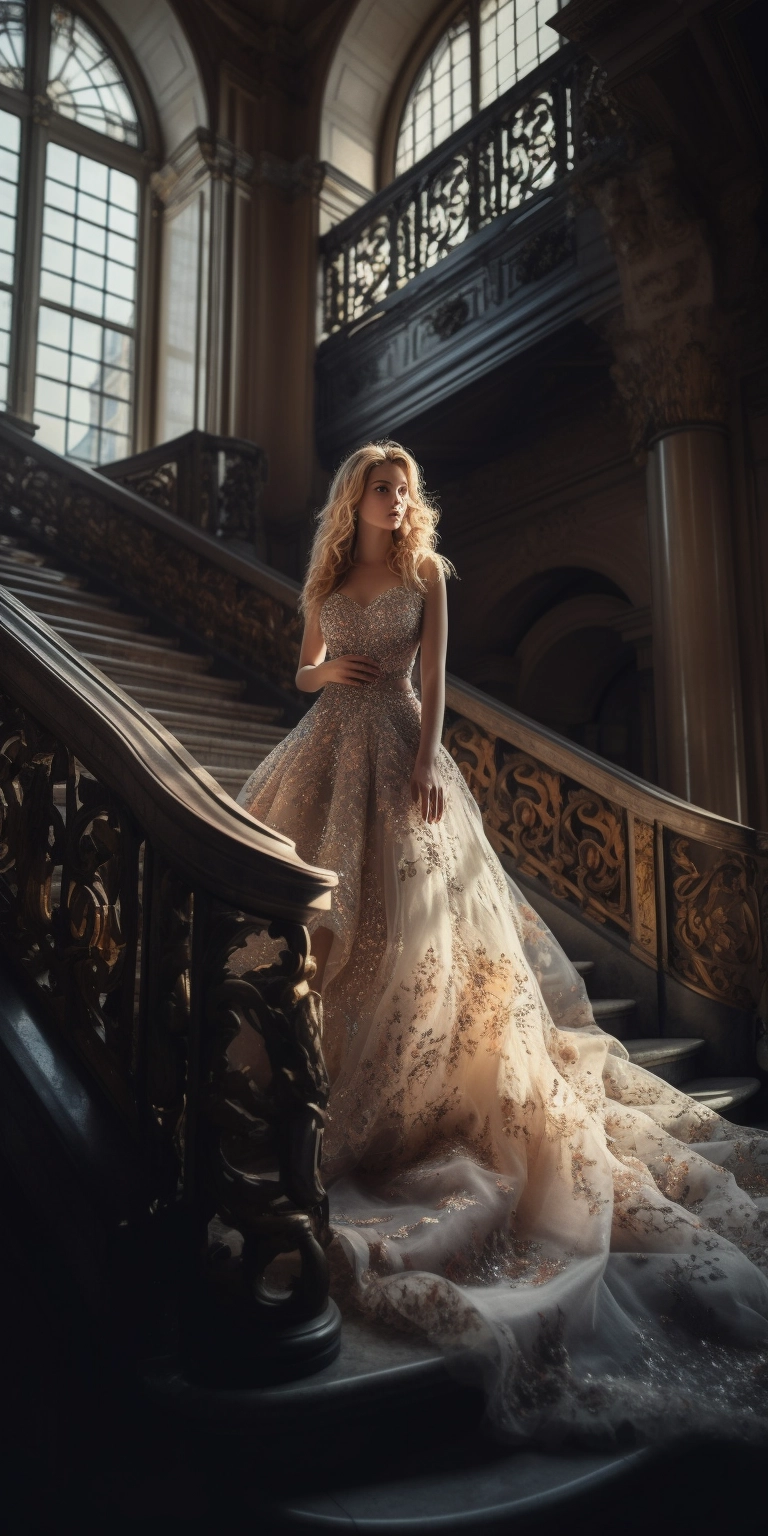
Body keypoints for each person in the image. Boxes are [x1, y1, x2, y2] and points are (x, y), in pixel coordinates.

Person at [238, 440, 768, 1445]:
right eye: (379, 489)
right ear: (354, 499)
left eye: (402, 489)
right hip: (324, 749)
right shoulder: (330, 574)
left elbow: (434, 680)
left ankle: (404, 1094)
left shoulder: (426, 572)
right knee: (317, 930)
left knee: (416, 940)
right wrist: (326, 668)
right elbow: (302, 669)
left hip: (397, 747)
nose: (394, 502)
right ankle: (328, 1072)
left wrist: (429, 760)